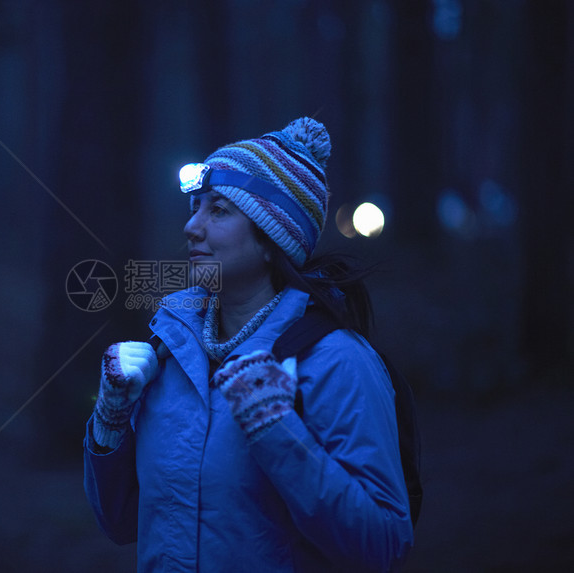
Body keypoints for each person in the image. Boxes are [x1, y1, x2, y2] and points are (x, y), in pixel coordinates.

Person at [83, 117, 414, 571]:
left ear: (270, 240)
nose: (192, 227)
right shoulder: (171, 354)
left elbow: (383, 544)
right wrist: (110, 421)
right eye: (194, 207)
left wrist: (278, 431)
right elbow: (121, 524)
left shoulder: (338, 362)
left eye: (218, 210)